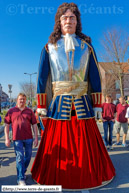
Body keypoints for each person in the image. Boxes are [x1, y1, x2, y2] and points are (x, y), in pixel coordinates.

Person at [31, 3, 115, 190]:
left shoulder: (87, 47)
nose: (68, 21)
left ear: (77, 22)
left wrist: (98, 105)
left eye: (72, 18)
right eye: (65, 18)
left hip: (83, 102)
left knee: (85, 143)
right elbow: (41, 78)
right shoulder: (48, 48)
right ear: (59, 22)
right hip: (58, 103)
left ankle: (88, 174)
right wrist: (41, 104)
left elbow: (94, 77)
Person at [4, 93, 38, 185]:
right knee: (20, 158)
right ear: (17, 100)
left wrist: (36, 138)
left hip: (28, 138)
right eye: (20, 99)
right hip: (17, 138)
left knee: (28, 156)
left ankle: (22, 171)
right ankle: (21, 179)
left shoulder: (30, 111)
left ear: (25, 100)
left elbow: (34, 125)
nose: (22, 101)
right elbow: (6, 125)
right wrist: (7, 138)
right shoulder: (11, 111)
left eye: (23, 99)